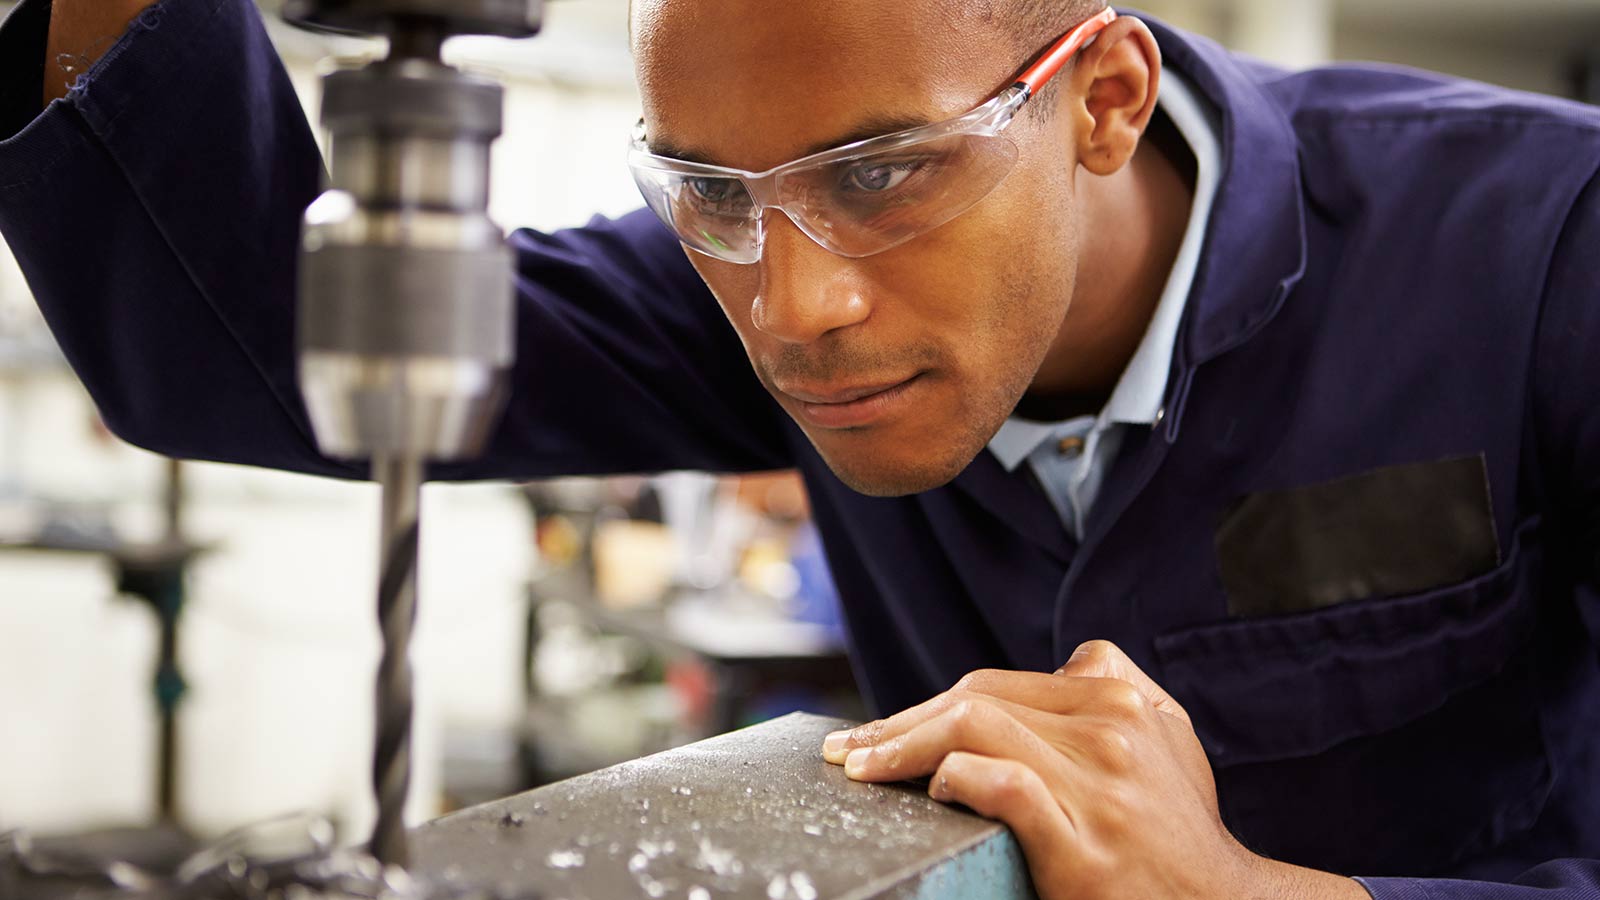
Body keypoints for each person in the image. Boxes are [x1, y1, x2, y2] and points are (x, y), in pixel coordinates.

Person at [1, 0, 1597, 896]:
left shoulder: (1538, 253)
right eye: (708, 194)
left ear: (1103, 98)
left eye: (886, 173)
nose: (793, 308)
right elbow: (254, 352)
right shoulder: (762, 273)